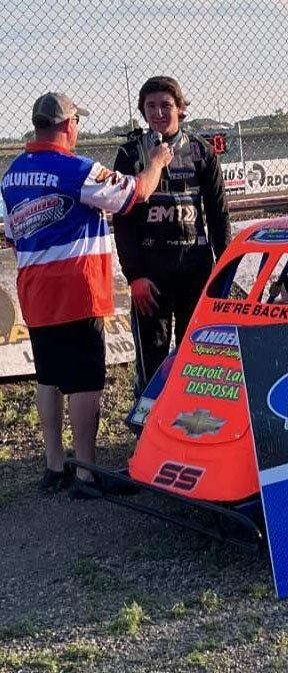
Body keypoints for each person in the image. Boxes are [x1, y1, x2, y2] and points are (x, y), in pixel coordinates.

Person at [0, 92, 172, 497]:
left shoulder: (11, 175)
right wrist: (156, 163)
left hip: (36, 292)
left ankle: (55, 465)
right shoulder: (77, 169)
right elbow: (137, 194)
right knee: (86, 383)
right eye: (76, 121)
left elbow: (11, 236)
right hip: (77, 290)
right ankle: (87, 474)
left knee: (49, 379)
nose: (78, 128)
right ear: (66, 125)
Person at [112, 76, 231, 400]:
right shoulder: (130, 152)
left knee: (199, 355)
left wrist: (225, 269)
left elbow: (219, 214)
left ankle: (194, 429)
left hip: (196, 268)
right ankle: (148, 433)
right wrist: (134, 276)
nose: (158, 113)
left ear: (180, 108)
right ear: (142, 111)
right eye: (151, 106)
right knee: (153, 361)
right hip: (152, 275)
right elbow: (122, 220)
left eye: (166, 105)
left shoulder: (201, 150)